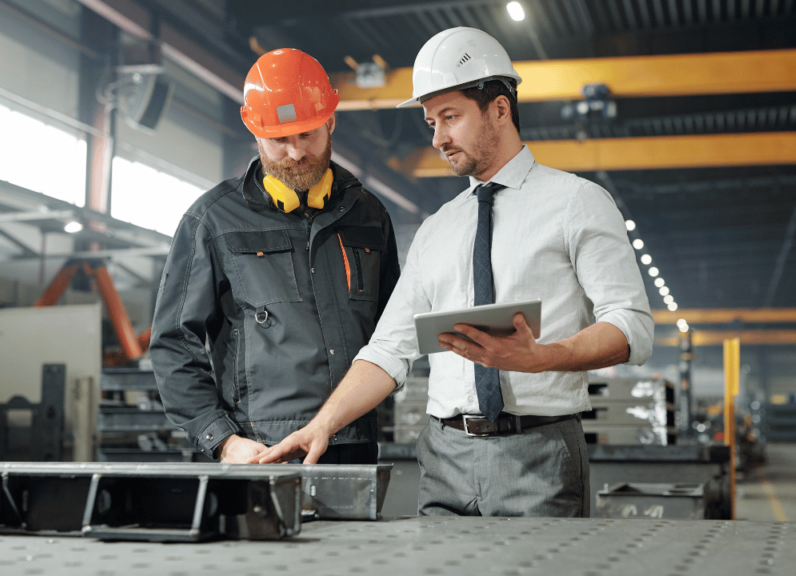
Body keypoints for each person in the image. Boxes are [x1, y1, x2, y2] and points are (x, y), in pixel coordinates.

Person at [260, 27, 653, 517]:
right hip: (444, 456)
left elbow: (632, 326)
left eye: (450, 117)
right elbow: (389, 349)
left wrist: (543, 356)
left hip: (539, 452)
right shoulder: (437, 229)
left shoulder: (577, 203)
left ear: (500, 109)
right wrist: (323, 424)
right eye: (430, 122)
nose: (438, 138)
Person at [150, 48, 400, 464]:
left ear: (331, 121)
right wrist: (223, 440)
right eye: (279, 139)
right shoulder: (212, 221)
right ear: (255, 132)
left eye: (308, 134)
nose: (296, 152)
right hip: (262, 450)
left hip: (353, 443)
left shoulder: (369, 215)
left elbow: (395, 332)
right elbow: (174, 342)